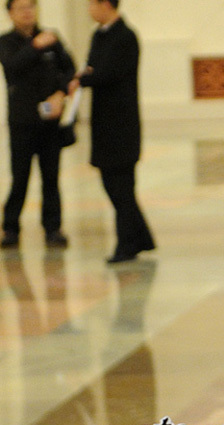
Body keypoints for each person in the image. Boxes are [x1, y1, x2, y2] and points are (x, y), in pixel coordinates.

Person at [69, 0, 153, 263]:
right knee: (113, 184)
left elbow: (107, 72)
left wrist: (82, 78)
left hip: (122, 123)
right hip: (103, 122)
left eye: (91, 4)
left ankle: (127, 245)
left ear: (105, 4)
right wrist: (86, 75)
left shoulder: (125, 37)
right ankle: (141, 238)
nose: (89, 10)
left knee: (121, 186)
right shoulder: (99, 35)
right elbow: (93, 66)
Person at [0, 0, 74, 249]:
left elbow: (69, 69)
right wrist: (34, 46)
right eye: (21, 8)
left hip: (50, 122)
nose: (27, 12)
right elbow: (12, 66)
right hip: (22, 122)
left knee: (51, 177)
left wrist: (60, 94)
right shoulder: (6, 42)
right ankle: (11, 227)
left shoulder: (51, 37)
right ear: (10, 13)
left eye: (31, 7)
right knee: (20, 176)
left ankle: (53, 227)